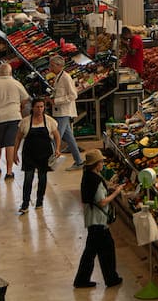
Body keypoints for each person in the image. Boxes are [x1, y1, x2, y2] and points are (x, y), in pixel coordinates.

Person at [74, 150, 124, 288]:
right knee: (105, 250)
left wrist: (111, 187)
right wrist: (116, 192)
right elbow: (102, 202)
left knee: (93, 251)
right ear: (96, 164)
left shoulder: (88, 176)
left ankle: (83, 279)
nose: (103, 164)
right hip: (98, 221)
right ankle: (110, 279)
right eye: (101, 162)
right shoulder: (95, 180)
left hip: (92, 220)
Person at [12, 98, 61, 214]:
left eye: (42, 107)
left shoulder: (49, 121)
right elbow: (18, 138)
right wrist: (15, 153)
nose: (39, 109)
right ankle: (25, 204)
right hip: (29, 154)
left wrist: (57, 149)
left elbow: (57, 136)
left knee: (42, 178)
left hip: (45, 154)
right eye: (37, 107)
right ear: (32, 108)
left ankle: (40, 201)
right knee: (28, 179)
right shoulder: (25, 122)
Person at [49, 55, 84, 170]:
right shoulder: (58, 77)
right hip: (59, 111)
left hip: (64, 112)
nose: (50, 68)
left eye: (52, 65)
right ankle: (79, 161)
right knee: (69, 138)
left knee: (56, 136)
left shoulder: (65, 77)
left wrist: (56, 101)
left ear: (59, 65)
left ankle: (50, 161)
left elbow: (73, 95)